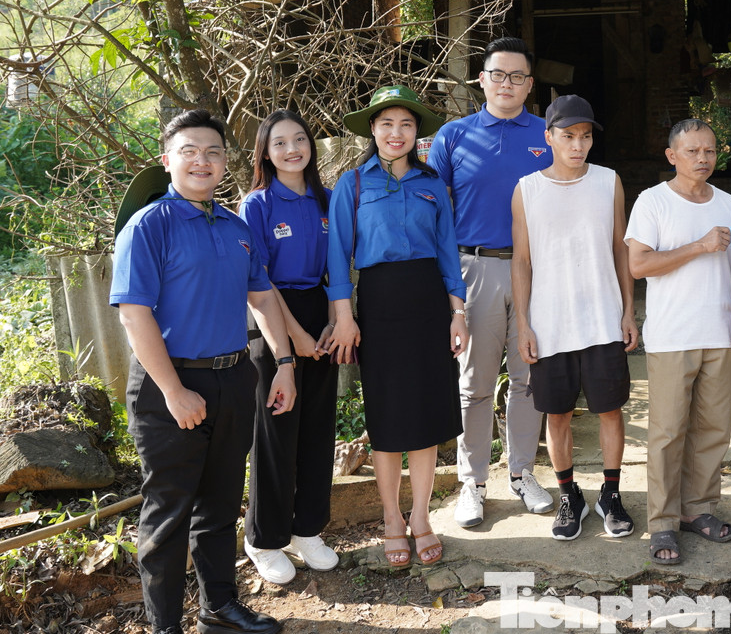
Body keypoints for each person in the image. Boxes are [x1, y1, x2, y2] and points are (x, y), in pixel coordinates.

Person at [111, 109, 295, 634]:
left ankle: (219, 608)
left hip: (234, 378)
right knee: (168, 514)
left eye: (213, 152)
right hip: (171, 386)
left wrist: (283, 364)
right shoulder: (150, 225)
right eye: (190, 151)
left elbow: (261, 295)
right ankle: (164, 626)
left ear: (224, 163)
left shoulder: (236, 228)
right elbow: (133, 313)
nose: (202, 161)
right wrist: (172, 390)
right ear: (168, 160)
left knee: (218, 505)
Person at [325, 86, 468, 568]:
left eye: (406, 125)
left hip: (429, 303)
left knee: (426, 416)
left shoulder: (432, 185)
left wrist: (458, 312)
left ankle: (422, 518)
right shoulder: (354, 184)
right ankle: (391, 520)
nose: (396, 133)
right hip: (380, 306)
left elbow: (448, 251)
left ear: (416, 133)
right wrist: (344, 314)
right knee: (387, 420)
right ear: (372, 129)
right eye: (386, 123)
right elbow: (337, 255)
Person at [428, 37, 555, 528]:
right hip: (474, 268)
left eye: (517, 76)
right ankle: (472, 483)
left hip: (535, 270)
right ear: (480, 80)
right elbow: (436, 211)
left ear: (529, 84)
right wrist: (448, 287)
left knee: (529, 377)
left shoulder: (547, 134)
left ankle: (522, 473)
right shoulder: (454, 136)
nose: (507, 84)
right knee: (475, 383)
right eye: (497, 75)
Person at [511, 95, 639, 542]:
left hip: (603, 318)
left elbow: (621, 249)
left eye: (585, 137)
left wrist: (628, 308)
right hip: (549, 323)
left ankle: (611, 494)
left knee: (609, 410)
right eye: (568, 136)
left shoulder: (609, 182)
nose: (578, 145)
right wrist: (524, 324)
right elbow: (522, 261)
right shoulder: (526, 189)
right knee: (558, 415)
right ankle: (569, 495)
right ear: (549, 137)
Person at [625, 118, 731, 566]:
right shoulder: (652, 202)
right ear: (671, 156)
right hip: (674, 334)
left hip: (722, 332)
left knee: (713, 429)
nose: (703, 159)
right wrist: (698, 246)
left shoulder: (730, 204)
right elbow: (639, 265)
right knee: (668, 432)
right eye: (692, 151)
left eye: (710, 151)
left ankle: (700, 510)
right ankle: (662, 523)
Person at [238, 110, 340, 583]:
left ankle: (307, 530)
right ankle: (264, 538)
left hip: (323, 315)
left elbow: (338, 265)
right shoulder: (257, 203)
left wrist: (337, 320)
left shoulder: (327, 198)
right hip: (274, 318)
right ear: (265, 152)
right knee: (276, 433)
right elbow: (257, 279)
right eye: (280, 142)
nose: (292, 148)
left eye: (300, 139)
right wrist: (295, 336)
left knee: (318, 429)